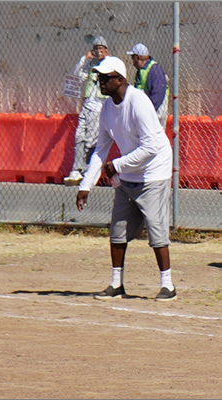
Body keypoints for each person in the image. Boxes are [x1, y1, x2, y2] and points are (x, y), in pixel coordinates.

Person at [75, 57, 176, 302]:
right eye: (98, 77)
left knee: (156, 229)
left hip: (154, 171)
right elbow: (101, 149)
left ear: (119, 80)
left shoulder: (138, 102)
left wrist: (117, 165)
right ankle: (116, 284)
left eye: (105, 78)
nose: (100, 82)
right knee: (117, 231)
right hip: (129, 174)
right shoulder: (107, 108)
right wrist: (85, 184)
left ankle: (168, 286)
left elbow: (151, 147)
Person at [64, 36, 110, 186]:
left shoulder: (110, 64)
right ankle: (76, 170)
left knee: (90, 140)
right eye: (96, 48)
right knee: (79, 136)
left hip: (98, 106)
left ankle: (87, 171)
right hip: (86, 105)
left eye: (101, 49)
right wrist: (83, 59)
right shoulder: (91, 64)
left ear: (106, 50)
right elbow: (77, 76)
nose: (98, 51)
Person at [127, 43, 169, 128]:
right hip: (145, 112)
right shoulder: (141, 71)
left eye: (133, 58)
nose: (132, 61)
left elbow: (158, 95)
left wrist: (147, 112)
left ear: (138, 57)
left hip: (154, 112)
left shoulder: (154, 70)